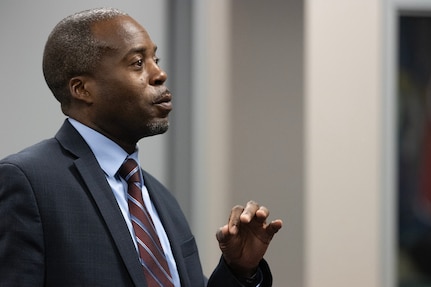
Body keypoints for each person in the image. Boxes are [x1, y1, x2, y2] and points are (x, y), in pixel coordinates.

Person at [0, 7, 282, 287]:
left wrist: (239, 270)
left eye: (155, 59)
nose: (159, 74)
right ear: (82, 89)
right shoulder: (28, 183)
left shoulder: (160, 198)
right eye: (137, 63)